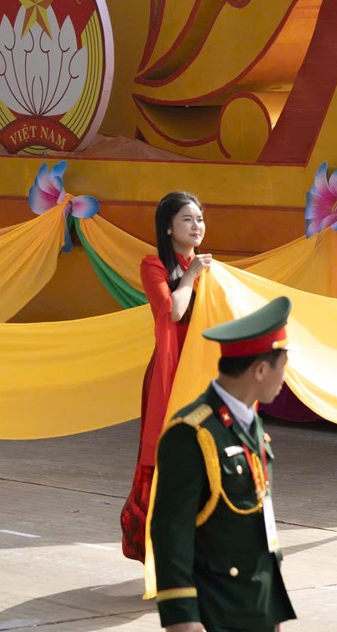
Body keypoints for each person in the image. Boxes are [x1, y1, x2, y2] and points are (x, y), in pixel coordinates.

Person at [149, 296, 297, 632]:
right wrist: (182, 619)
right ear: (261, 370)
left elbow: (259, 528)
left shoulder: (251, 425)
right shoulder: (192, 432)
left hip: (255, 606)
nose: (284, 378)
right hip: (215, 612)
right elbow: (171, 531)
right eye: (283, 366)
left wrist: (271, 608)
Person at [121, 191, 214, 562]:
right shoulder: (154, 265)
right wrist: (190, 276)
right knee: (168, 459)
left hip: (199, 375)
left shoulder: (208, 270)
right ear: (169, 227)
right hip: (168, 375)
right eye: (187, 219)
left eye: (200, 219)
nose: (196, 226)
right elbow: (173, 312)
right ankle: (161, 551)